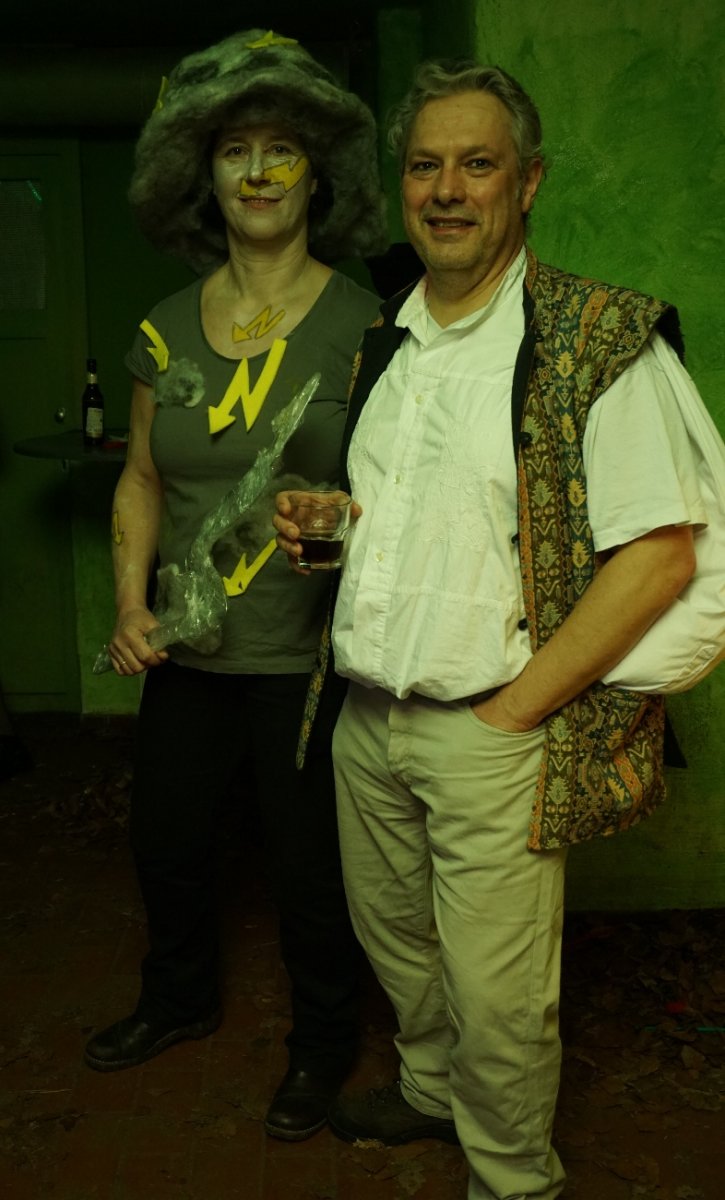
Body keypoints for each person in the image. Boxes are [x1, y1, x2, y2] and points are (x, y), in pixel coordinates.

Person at [274, 58, 723, 1198]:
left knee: (498, 991)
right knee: (397, 944)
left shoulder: (595, 337)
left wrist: (515, 711)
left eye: (476, 164)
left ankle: (513, 1178)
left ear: (526, 183)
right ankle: (431, 1089)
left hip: (492, 722)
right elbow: (417, 520)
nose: (446, 189)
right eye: (424, 165)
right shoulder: (386, 335)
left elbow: (659, 555)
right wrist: (326, 530)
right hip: (365, 716)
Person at [83, 28, 387, 1145]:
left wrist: (341, 526)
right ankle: (177, 1001)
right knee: (165, 842)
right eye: (233, 152)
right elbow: (142, 476)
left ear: (318, 174)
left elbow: (399, 488)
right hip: (188, 647)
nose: (258, 173)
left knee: (309, 868)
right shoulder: (163, 328)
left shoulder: (368, 323)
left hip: (308, 654)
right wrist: (130, 606)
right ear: (201, 176)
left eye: (281, 151)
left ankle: (322, 1043)